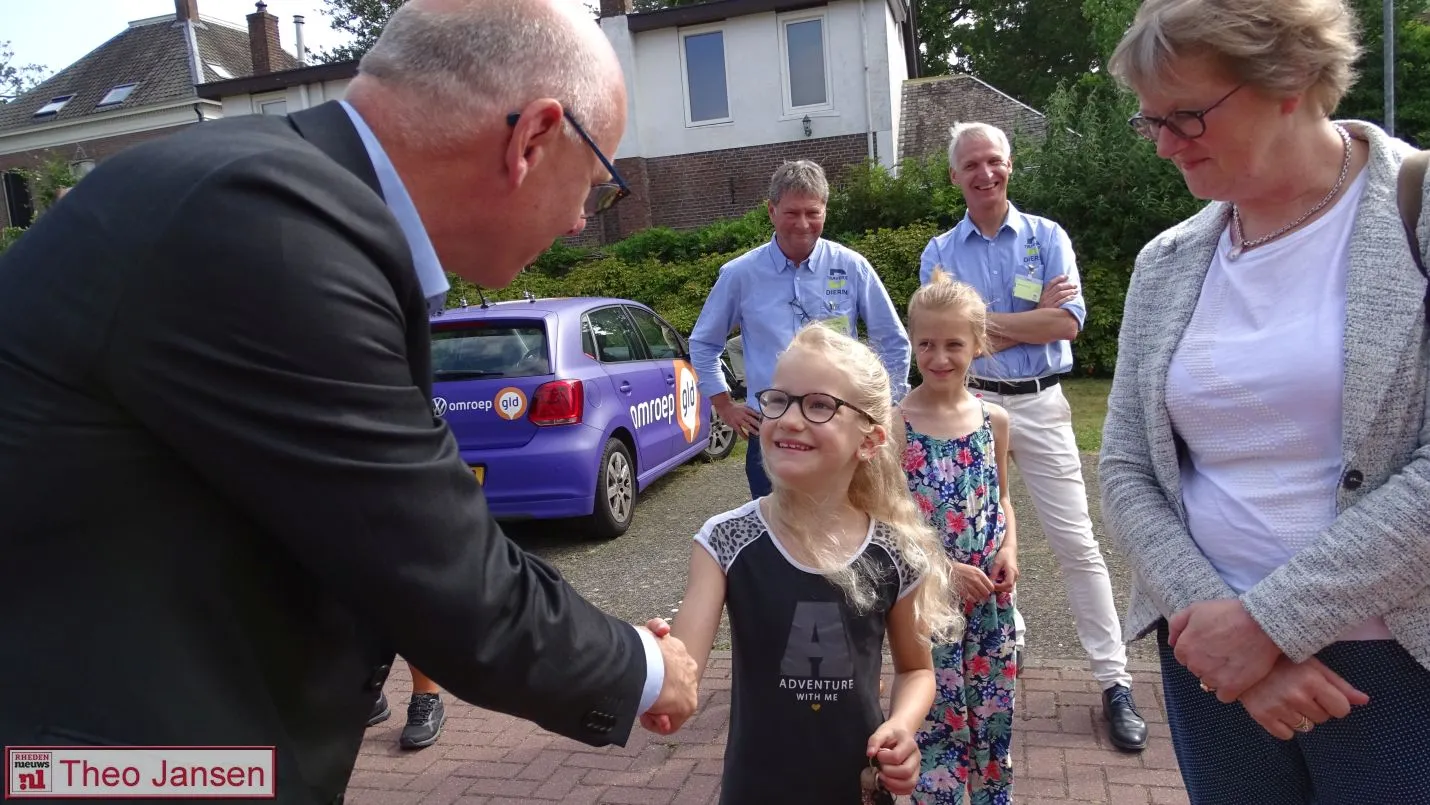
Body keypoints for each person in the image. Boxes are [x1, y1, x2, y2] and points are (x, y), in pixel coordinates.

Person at [0, 0, 699, 801]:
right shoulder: (273, 227)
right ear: (533, 139)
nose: (581, 221)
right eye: (597, 186)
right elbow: (439, 569)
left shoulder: (267, 192)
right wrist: (645, 667)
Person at [1100, 0, 1430, 801]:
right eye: (1153, 122)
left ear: (1289, 79)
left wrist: (1269, 626)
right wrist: (1224, 637)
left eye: (1187, 115)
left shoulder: (1416, 207)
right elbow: (1126, 466)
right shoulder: (1167, 260)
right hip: (1211, 667)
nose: (1167, 145)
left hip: (1395, 663)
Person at [642, 323, 964, 804]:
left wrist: (901, 726)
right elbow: (682, 671)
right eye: (778, 400)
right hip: (755, 791)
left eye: (819, 405)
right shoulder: (725, 540)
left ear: (870, 440)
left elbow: (916, 671)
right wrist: (659, 678)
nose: (789, 419)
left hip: (857, 788)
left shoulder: (897, 552)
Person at [919, 122, 1147, 751]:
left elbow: (1067, 324)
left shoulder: (1048, 237)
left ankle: (1115, 681)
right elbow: (944, 339)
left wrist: (980, 326)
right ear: (955, 176)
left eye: (994, 161)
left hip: (1040, 405)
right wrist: (1026, 320)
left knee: (1078, 543)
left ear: (1010, 165)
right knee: (971, 543)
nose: (984, 173)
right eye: (971, 165)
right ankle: (976, 671)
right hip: (969, 404)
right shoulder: (938, 251)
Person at [690, 160, 911, 499]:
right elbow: (704, 343)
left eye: (813, 213)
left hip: (839, 428)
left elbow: (893, 342)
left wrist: (882, 408)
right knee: (777, 535)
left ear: (825, 210)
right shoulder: (740, 275)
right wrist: (724, 405)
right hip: (772, 429)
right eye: (792, 213)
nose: (803, 224)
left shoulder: (851, 267)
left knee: (846, 528)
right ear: (771, 211)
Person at [895, 270, 1018, 805]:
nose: (939, 357)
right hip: (929, 599)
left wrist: (1009, 549)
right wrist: (945, 571)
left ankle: (993, 796)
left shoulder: (994, 420)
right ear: (912, 342)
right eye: (927, 343)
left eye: (953, 344)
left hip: (991, 598)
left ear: (977, 345)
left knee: (994, 713)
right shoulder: (897, 424)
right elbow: (887, 522)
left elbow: (1003, 500)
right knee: (939, 715)